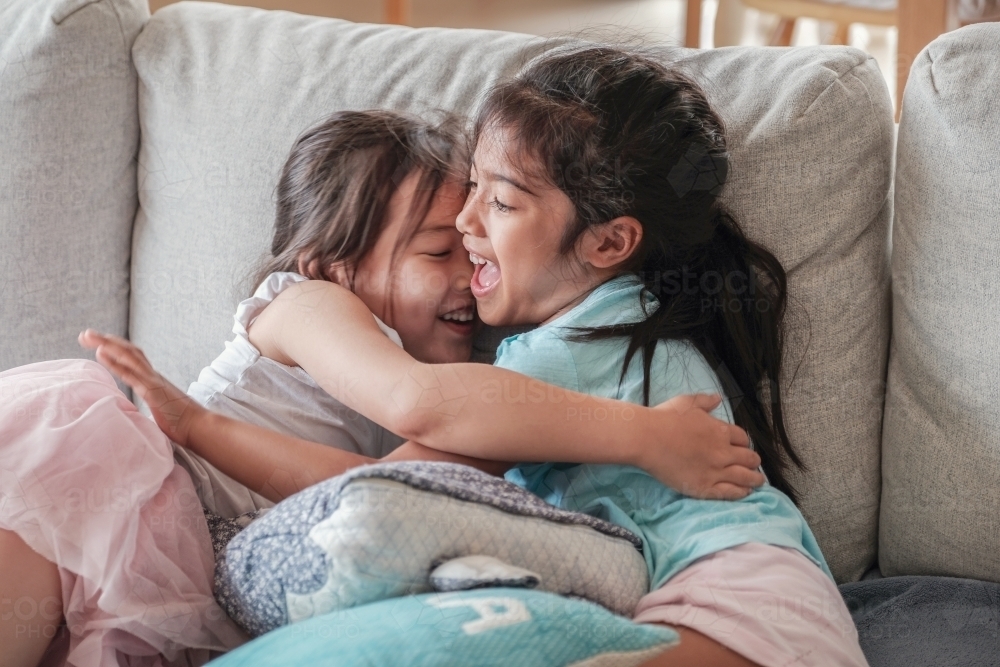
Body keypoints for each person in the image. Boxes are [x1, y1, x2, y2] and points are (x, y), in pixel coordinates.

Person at [0, 109, 758, 667]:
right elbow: (415, 404)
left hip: (189, 580)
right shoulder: (306, 305)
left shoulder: (461, 369)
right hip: (119, 488)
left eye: (474, 248)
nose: (472, 276)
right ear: (334, 264)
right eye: (439, 252)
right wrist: (643, 436)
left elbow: (385, 488)